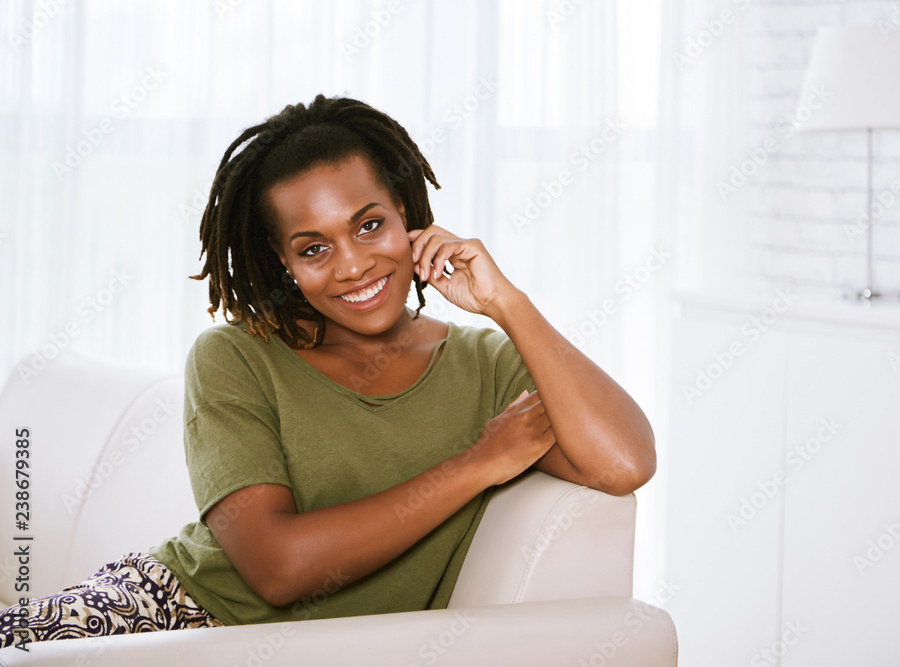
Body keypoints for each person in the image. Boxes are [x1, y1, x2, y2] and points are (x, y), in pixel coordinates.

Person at [0, 94, 655, 649]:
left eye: (369, 225)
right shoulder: (236, 357)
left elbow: (624, 461)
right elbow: (278, 568)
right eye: (313, 248)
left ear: (406, 214)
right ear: (283, 261)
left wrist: (508, 304)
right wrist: (477, 463)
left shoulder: (485, 364)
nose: (352, 265)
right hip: (170, 617)